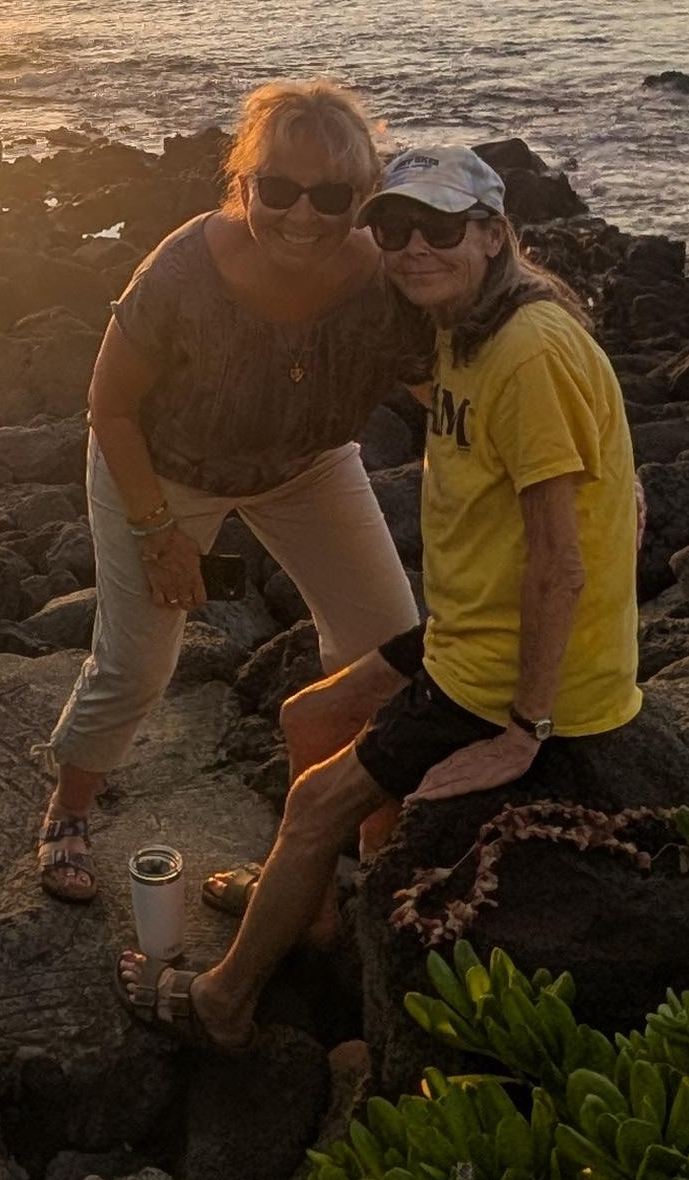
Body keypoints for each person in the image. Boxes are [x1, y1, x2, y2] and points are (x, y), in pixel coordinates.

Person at [116, 142, 642, 1037]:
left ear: (492, 233)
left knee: (318, 799)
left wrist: (526, 729)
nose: (411, 248)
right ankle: (311, 911)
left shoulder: (526, 352)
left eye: (437, 226)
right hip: (466, 634)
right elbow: (612, 484)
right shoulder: (465, 331)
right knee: (307, 719)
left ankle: (223, 1002)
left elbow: (561, 559)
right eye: (392, 228)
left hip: (498, 674)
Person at [36, 80, 423, 899]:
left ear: (364, 199)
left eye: (331, 196)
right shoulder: (185, 270)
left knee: (390, 644)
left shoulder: (384, 280)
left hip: (307, 463)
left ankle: (360, 828)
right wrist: (156, 531)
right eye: (278, 189)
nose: (303, 216)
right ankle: (69, 810)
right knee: (139, 661)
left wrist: (572, 466)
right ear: (244, 184)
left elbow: (452, 387)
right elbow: (109, 404)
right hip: (165, 464)